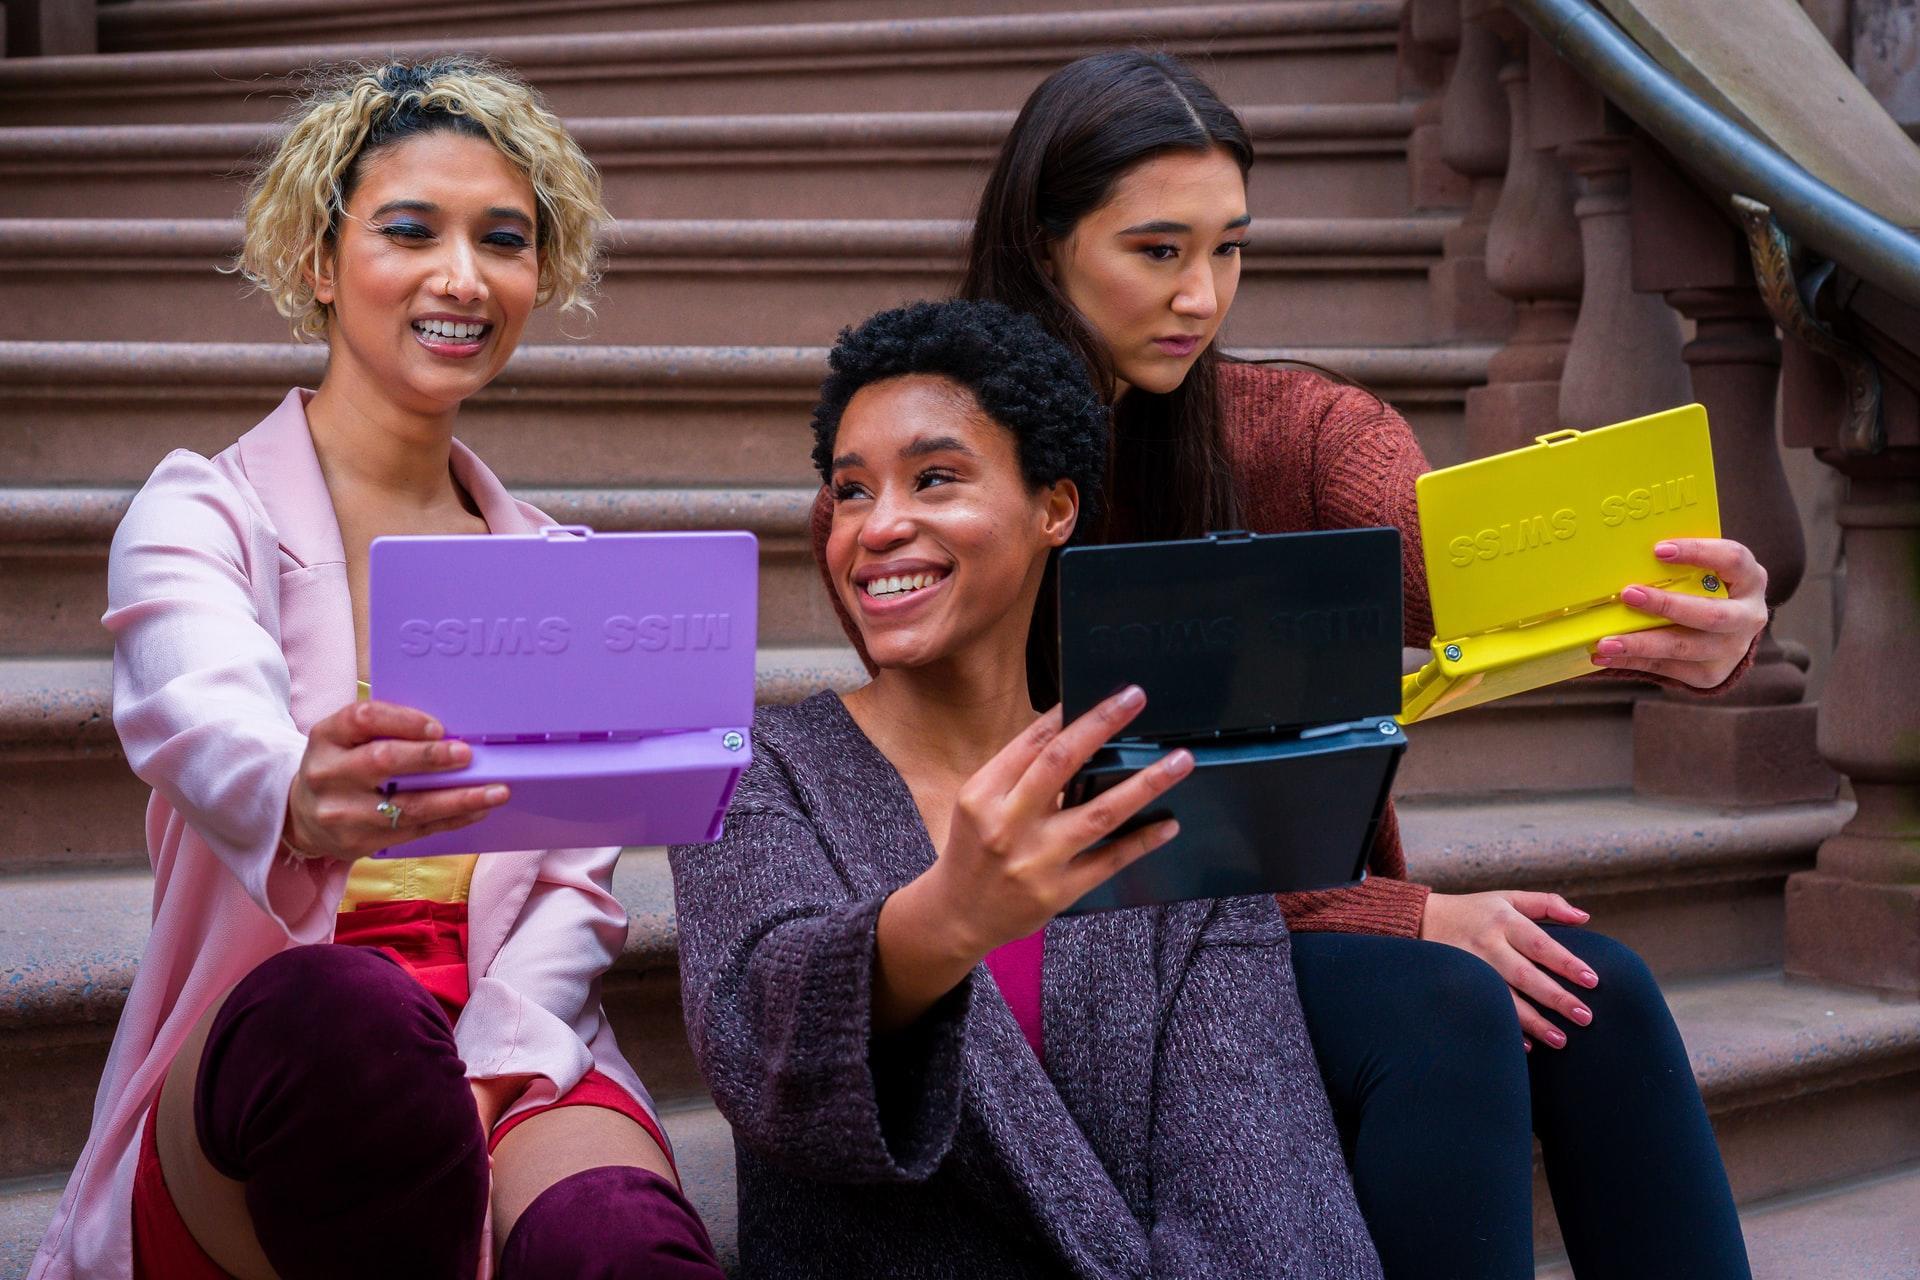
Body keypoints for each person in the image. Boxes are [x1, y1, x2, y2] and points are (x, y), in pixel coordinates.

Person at [810, 52, 1762, 1280]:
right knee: (1448, 1003)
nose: (1201, 295)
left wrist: (1694, 610)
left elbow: (1469, 569)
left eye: (1230, 247)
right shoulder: (930, 484)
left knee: (1594, 989)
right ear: (1047, 247)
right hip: (1061, 944)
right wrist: (1400, 911)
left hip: (1260, 916)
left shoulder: (1299, 429)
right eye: (1158, 250)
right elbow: (1012, 810)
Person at [31, 58, 723, 1280]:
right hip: (282, 1050)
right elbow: (195, 706)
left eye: (502, 240)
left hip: (510, 1038)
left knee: (618, 1247)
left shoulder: (563, 568)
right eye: (411, 229)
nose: (462, 275)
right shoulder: (207, 510)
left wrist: (487, 1069)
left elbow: (579, 889)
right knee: (348, 1022)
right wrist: (296, 788)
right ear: (318, 258)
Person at [670, 298, 1385, 1278]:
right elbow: (759, 1046)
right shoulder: (752, 770)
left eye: (935, 478)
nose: (879, 526)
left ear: (1055, 506)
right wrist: (947, 917)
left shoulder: (1163, 789)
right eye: (849, 490)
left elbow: (1259, 1177)